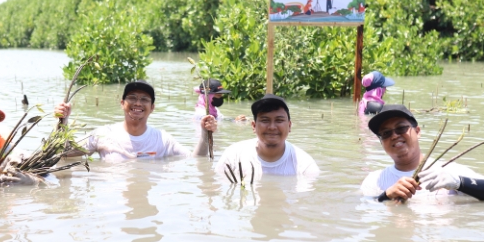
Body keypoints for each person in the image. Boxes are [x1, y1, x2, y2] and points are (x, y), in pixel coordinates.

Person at [360, 104, 484, 202]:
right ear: (381, 142)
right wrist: (386, 196)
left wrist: (459, 183)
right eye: (386, 133)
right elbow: (364, 211)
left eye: (401, 128)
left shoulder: (448, 171)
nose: (394, 136)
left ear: (417, 132)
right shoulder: (375, 180)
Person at [56, 81, 217, 162]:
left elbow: (196, 161)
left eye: (144, 99)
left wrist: (205, 133)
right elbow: (65, 154)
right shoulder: (104, 134)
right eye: (132, 98)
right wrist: (63, 121)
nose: (138, 103)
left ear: (152, 107)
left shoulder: (162, 139)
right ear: (122, 103)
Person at [215, 94, 319, 179]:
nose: (272, 127)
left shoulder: (305, 166)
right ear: (254, 126)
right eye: (265, 120)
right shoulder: (233, 156)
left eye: (279, 120)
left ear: (289, 126)